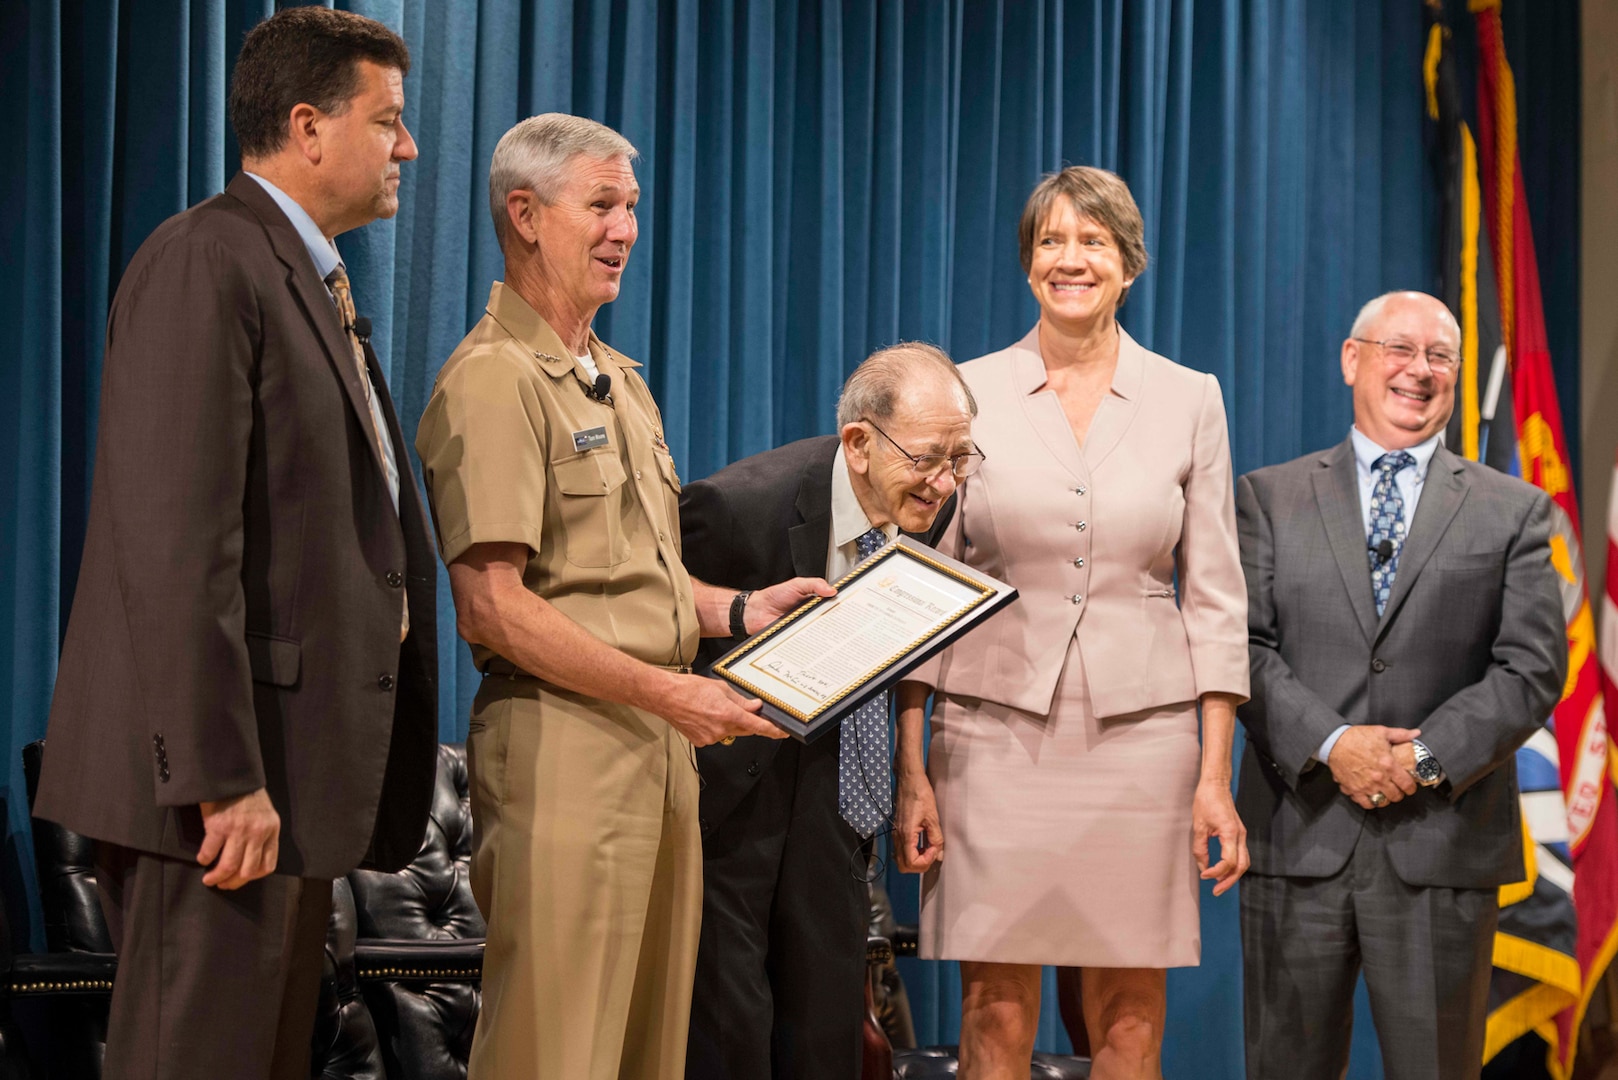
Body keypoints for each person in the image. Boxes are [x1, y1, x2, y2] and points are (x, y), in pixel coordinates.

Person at [33, 9, 439, 1079]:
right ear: (308, 127)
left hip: (287, 779)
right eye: (388, 120)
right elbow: (175, 541)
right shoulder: (207, 260)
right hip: (219, 798)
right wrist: (222, 779)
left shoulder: (301, 274)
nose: (408, 147)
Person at [414, 113, 831, 1080]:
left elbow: (637, 582)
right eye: (601, 205)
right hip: (566, 752)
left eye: (632, 207)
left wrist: (738, 613)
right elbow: (494, 607)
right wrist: (668, 692)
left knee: (650, 1054)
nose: (626, 229)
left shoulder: (620, 382)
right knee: (555, 1054)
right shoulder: (493, 379)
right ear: (525, 214)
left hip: (660, 753)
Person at [893, 165, 1251, 1080]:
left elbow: (1215, 597)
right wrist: (911, 769)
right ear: (1027, 263)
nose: (1070, 259)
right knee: (994, 1007)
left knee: (1129, 1018)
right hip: (991, 740)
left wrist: (1216, 778)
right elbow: (922, 589)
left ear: (1128, 263)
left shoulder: (1189, 397)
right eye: (1051, 240)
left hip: (1147, 745)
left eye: (1091, 241)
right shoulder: (962, 391)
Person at [1234, 291, 1566, 1080]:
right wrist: (1334, 744)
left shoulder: (1514, 510)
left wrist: (1418, 760)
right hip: (1299, 835)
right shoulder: (1268, 498)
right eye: (1399, 349)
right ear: (1353, 360)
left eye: (1440, 356)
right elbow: (1240, 648)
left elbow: (1531, 667)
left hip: (1440, 845)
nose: (1420, 371)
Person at [678, 342, 978, 1080]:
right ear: (858, 443)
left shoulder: (927, 501)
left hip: (837, 798)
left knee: (825, 1037)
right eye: (929, 459)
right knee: (731, 1034)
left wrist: (909, 777)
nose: (944, 483)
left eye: (963, 459)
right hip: (729, 804)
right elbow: (658, 623)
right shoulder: (735, 507)